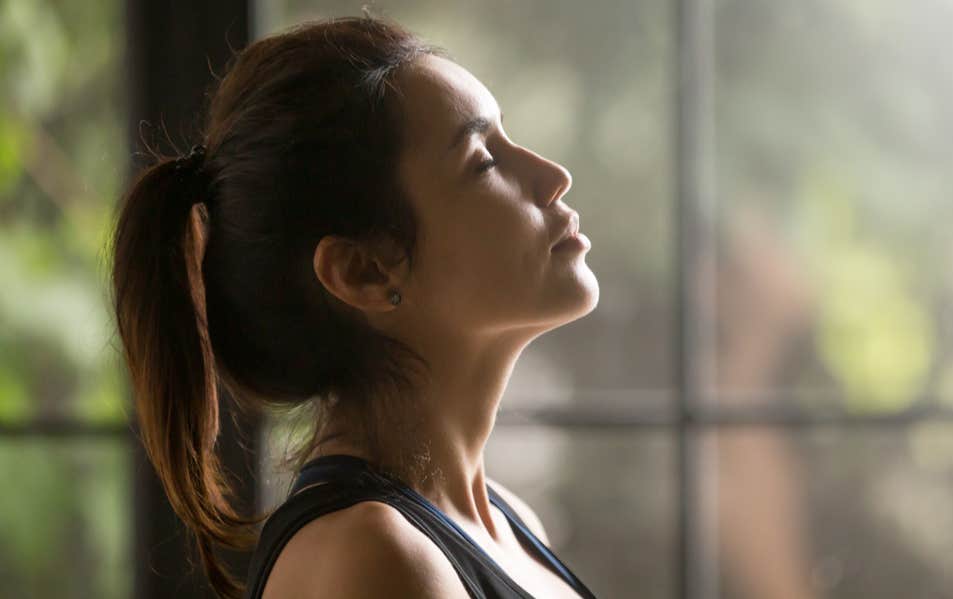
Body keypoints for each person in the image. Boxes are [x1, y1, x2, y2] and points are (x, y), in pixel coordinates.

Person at [108, 14, 600, 599]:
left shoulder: (507, 523)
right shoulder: (371, 558)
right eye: (484, 161)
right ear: (363, 272)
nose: (554, 177)